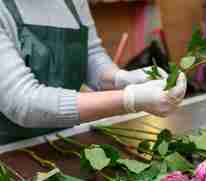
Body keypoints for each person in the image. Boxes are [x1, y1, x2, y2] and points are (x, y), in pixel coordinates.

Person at [0, 0, 187, 144]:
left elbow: (91, 53)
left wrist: (122, 79)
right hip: (8, 152)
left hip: (63, 141)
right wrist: (130, 99)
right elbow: (23, 101)